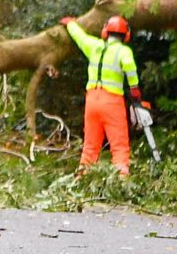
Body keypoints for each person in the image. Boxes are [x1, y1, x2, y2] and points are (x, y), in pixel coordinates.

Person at [60, 15, 142, 176]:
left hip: (92, 101)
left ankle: (81, 179)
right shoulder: (124, 51)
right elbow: (130, 70)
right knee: (119, 146)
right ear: (126, 35)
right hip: (112, 102)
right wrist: (136, 94)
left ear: (105, 31)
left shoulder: (94, 46)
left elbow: (79, 36)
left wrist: (71, 24)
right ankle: (122, 181)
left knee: (90, 146)